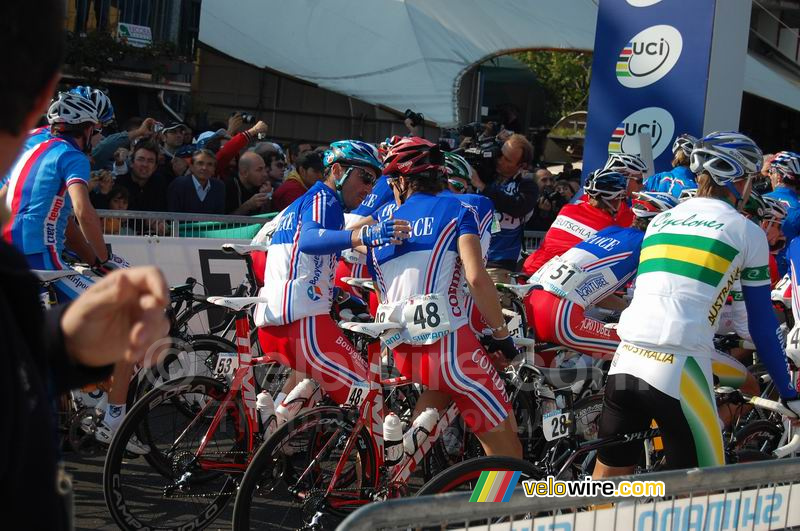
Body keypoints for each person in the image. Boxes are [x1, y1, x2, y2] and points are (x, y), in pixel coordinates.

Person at [0, 2, 170, 527]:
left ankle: (86, 396)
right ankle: (113, 417)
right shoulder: (73, 156)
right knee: (123, 319)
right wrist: (100, 259)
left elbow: (51, 217)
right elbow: (80, 212)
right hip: (45, 262)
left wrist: (89, 253)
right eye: (98, 131)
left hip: (23, 259)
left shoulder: (31, 144)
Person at [593, 132, 800, 476]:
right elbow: (763, 326)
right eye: (751, 180)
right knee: (702, 495)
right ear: (737, 181)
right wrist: (788, 391)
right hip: (678, 367)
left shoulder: (661, 220)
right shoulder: (746, 231)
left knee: (607, 483)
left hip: (626, 360)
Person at [371, 137, 522, 458]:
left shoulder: (384, 226)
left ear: (400, 181)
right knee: (509, 455)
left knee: (439, 390)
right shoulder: (456, 208)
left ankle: (394, 469)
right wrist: (501, 336)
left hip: (403, 350)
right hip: (450, 349)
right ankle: (490, 508)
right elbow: (477, 278)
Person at [255, 140, 410, 406]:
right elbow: (309, 241)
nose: (369, 189)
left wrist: (335, 293)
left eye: (373, 182)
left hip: (276, 325)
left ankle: (277, 426)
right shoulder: (322, 198)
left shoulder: (306, 203)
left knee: (315, 382)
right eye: (364, 178)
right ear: (337, 170)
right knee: (370, 398)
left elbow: (299, 262)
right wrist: (365, 234)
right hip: (303, 325)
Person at [525, 191, 678, 366]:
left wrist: (625, 308)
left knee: (542, 383)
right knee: (641, 353)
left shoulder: (611, 231)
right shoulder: (647, 244)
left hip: (533, 300)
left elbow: (593, 288)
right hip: (560, 316)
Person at [522, 169, 627, 275]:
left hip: (531, 267)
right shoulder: (610, 228)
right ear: (613, 198)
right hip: (556, 278)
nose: (621, 202)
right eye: (620, 198)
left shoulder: (567, 209)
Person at [470, 134, 537, 283]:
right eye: (500, 155)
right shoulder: (487, 176)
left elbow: (519, 207)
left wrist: (482, 187)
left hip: (499, 264)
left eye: (507, 159)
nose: (500, 160)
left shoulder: (527, 185)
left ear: (522, 165)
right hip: (471, 259)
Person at [766, 151, 800, 276]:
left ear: (779, 176)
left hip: (751, 275)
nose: (769, 177)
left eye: (770, 172)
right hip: (786, 280)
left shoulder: (754, 201)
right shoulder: (797, 207)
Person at [167, 149, 226, 214]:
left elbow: (219, 217)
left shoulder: (219, 186)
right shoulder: (178, 184)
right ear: (191, 166)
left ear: (214, 169)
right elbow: (172, 216)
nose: (204, 168)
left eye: (210, 164)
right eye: (200, 163)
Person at [115, 141, 168, 212]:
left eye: (150, 161)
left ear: (155, 167)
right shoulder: (119, 183)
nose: (145, 164)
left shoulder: (160, 183)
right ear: (131, 163)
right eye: (140, 159)